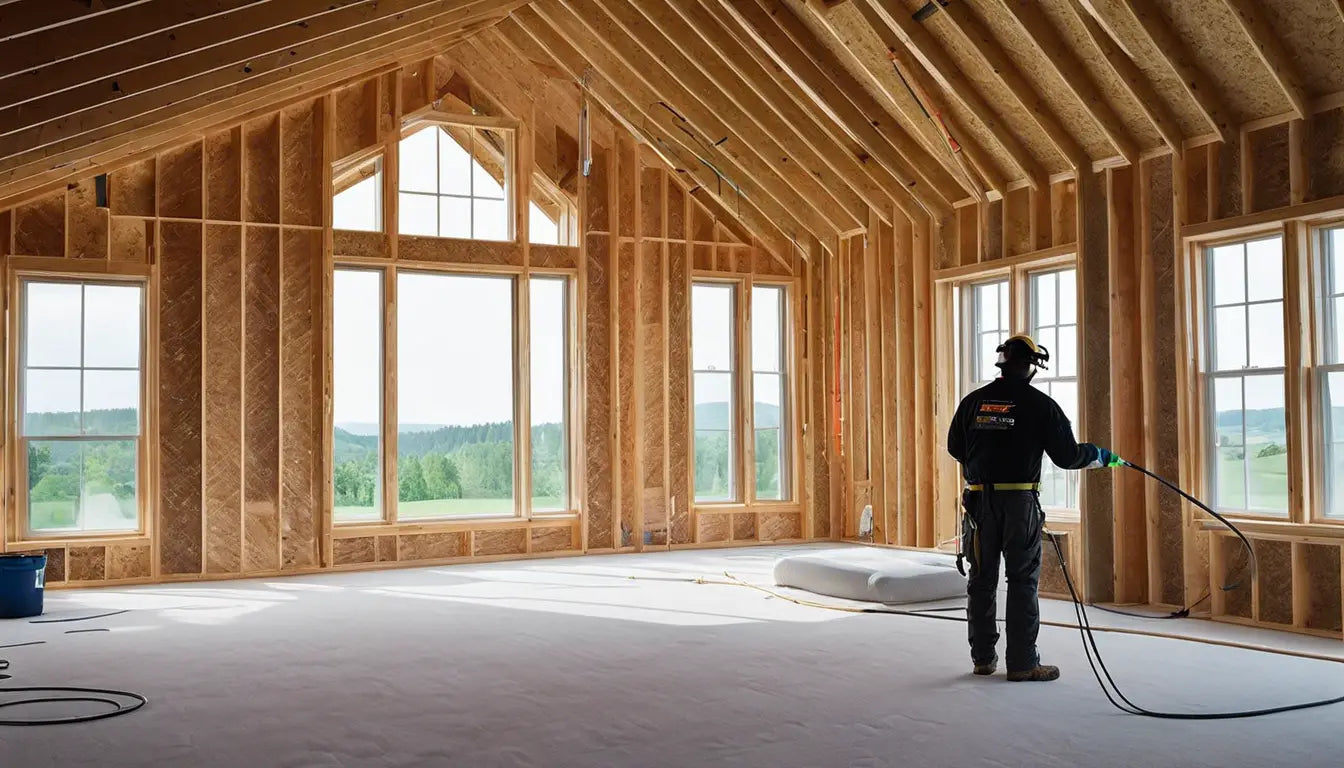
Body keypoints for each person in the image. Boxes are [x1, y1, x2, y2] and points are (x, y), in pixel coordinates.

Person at [946, 334, 1115, 682]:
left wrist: (983, 465)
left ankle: (983, 659)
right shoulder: (1040, 405)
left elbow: (954, 446)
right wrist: (1097, 455)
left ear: (1003, 364)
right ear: (1032, 366)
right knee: (1022, 579)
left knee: (981, 579)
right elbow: (1068, 456)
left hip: (978, 503)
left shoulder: (973, 402)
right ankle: (1022, 663)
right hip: (1019, 503)